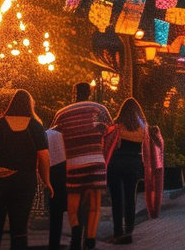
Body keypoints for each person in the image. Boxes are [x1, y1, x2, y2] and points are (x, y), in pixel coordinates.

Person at [0, 90, 52, 250]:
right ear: (30, 106)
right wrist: (47, 182)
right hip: (23, 183)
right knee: (19, 229)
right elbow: (44, 157)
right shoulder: (35, 127)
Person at [54, 82, 111, 250]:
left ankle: (76, 231)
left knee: (73, 204)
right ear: (90, 93)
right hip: (96, 162)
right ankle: (90, 240)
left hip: (74, 163)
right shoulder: (99, 109)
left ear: (74, 93)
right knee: (94, 206)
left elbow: (54, 135)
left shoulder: (62, 113)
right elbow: (111, 129)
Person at [101, 98, 148, 245]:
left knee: (117, 199)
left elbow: (108, 144)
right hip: (133, 165)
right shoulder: (143, 127)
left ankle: (117, 232)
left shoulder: (116, 125)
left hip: (116, 165)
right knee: (130, 197)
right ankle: (129, 231)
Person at [41, 104, 68, 250]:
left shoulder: (48, 134)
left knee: (55, 213)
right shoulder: (69, 134)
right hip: (69, 172)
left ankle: (54, 243)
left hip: (53, 173)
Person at [141, 119, 165, 221]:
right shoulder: (158, 138)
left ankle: (151, 212)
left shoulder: (145, 138)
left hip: (148, 166)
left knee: (149, 189)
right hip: (158, 165)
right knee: (157, 189)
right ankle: (156, 210)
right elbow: (162, 149)